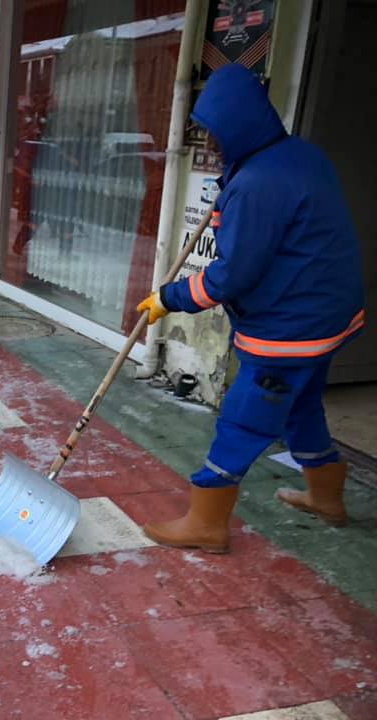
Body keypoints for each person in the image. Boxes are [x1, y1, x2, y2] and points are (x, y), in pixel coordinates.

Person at [137, 63, 364, 553]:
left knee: (243, 419)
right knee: (301, 407)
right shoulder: (296, 155)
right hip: (330, 313)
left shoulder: (257, 183)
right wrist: (230, 184)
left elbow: (231, 276)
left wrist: (168, 299)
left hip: (292, 324)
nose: (210, 142)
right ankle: (327, 498)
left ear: (237, 125)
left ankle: (207, 523)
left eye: (214, 133)